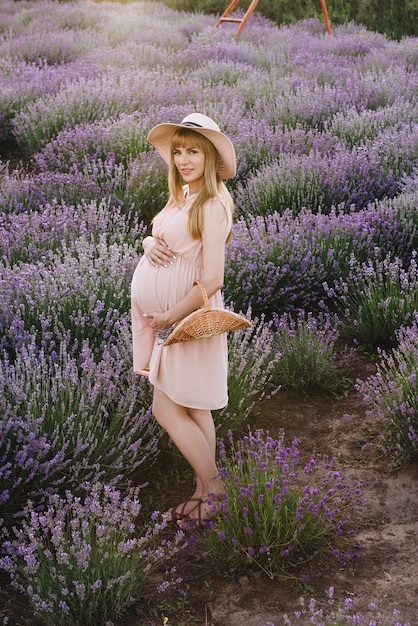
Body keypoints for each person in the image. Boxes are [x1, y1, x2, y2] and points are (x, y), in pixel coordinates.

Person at [130, 113, 236, 528]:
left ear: (209, 156)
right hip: (171, 320)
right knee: (192, 406)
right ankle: (203, 492)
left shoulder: (211, 203)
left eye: (193, 151)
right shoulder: (184, 196)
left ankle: (214, 492)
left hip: (185, 321)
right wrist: (148, 240)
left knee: (166, 408)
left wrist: (171, 318)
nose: (184, 159)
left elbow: (213, 276)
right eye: (178, 151)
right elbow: (164, 233)